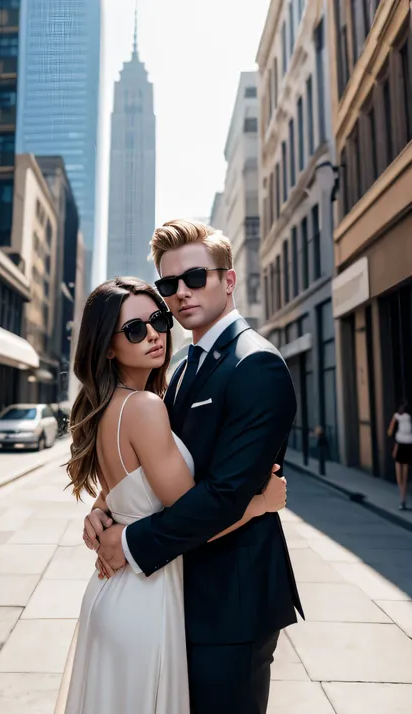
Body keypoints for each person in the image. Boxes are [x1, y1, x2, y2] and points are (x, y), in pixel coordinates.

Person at [81, 220, 303, 714]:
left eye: (195, 277)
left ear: (228, 280)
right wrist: (106, 509)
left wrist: (130, 541)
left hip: (230, 606)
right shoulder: (181, 367)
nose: (181, 293)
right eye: (168, 285)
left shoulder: (255, 365)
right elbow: (150, 462)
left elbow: (224, 495)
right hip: (174, 597)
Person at [388, 399, 412, 510]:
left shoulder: (396, 417)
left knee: (399, 475)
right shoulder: (409, 418)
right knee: (405, 473)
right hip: (408, 444)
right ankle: (403, 498)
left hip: (400, 445)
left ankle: (402, 499)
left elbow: (390, 432)